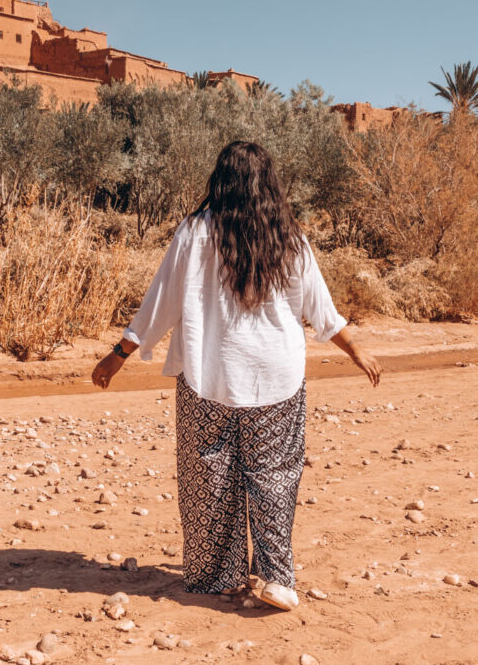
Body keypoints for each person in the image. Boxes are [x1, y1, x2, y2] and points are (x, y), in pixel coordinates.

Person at [91, 140, 380, 610]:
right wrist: (358, 351)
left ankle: (216, 575)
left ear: (220, 180)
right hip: (277, 378)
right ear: (269, 183)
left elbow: (158, 304)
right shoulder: (290, 238)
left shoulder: (194, 233)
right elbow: (321, 311)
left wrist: (119, 354)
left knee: (208, 475)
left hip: (210, 375)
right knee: (274, 477)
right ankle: (276, 577)